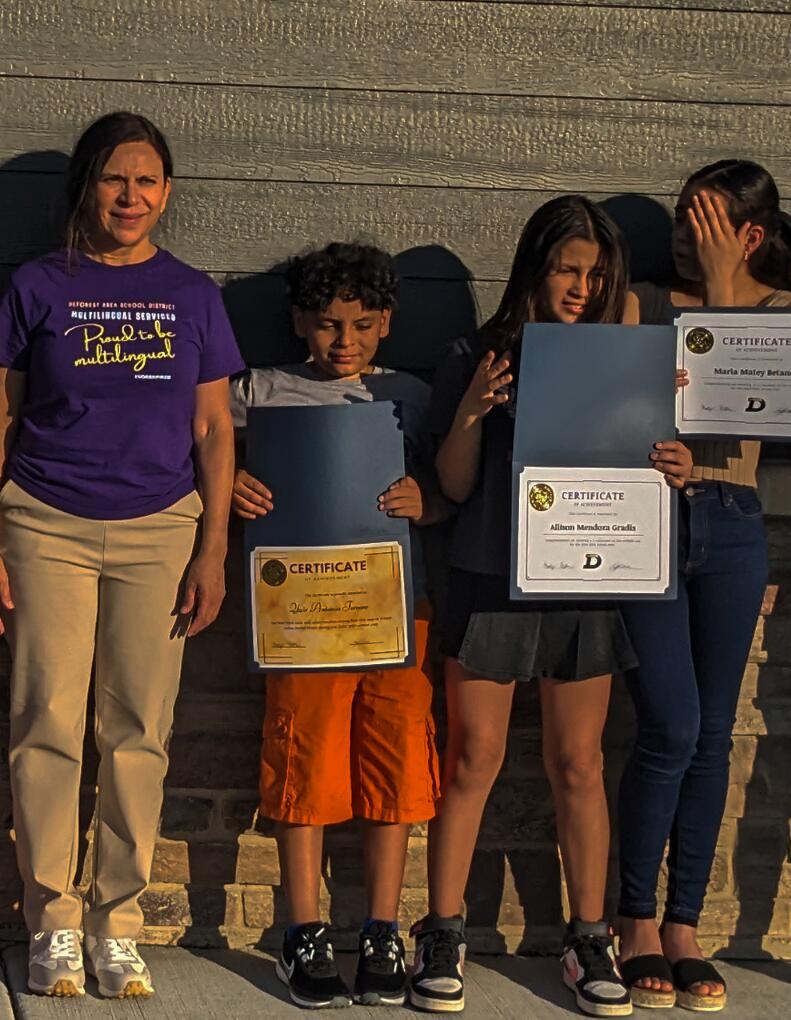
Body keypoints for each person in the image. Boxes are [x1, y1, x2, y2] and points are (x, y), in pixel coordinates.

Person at [0, 111, 241, 999]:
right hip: (45, 522)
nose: (132, 197)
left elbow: (212, 428)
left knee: (138, 733)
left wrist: (213, 551)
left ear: (168, 192)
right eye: (116, 179)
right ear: (88, 184)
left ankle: (116, 922)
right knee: (45, 721)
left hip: (161, 529)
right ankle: (51, 917)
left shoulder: (195, 294)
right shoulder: (38, 284)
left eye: (149, 181)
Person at [409, 195, 683, 1019]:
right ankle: (444, 932)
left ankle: (589, 937)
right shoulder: (477, 353)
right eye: (567, 269)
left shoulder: (625, 360)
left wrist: (670, 463)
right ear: (534, 266)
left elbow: (645, 471)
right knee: (473, 759)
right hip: (492, 578)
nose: (581, 287)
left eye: (597, 275)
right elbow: (452, 486)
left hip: (586, 578)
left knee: (580, 764)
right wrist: (472, 411)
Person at [614, 158, 791, 1011]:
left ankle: (684, 922)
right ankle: (633, 919)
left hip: (733, 522)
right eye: (679, 229)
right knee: (671, 722)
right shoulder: (644, 305)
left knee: (715, 732)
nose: (685, 244)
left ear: (750, 234)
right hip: (653, 517)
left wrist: (730, 279)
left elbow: (734, 400)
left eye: (704, 229)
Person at [229, 243, 447, 1009]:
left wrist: (434, 503)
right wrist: (229, 482)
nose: (342, 341)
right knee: (304, 760)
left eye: (359, 325)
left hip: (395, 610)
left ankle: (384, 927)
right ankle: (304, 931)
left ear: (385, 323)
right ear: (298, 323)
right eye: (325, 325)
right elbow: (193, 436)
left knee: (394, 764)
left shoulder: (411, 398)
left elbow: (460, 479)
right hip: (300, 615)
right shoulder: (260, 391)